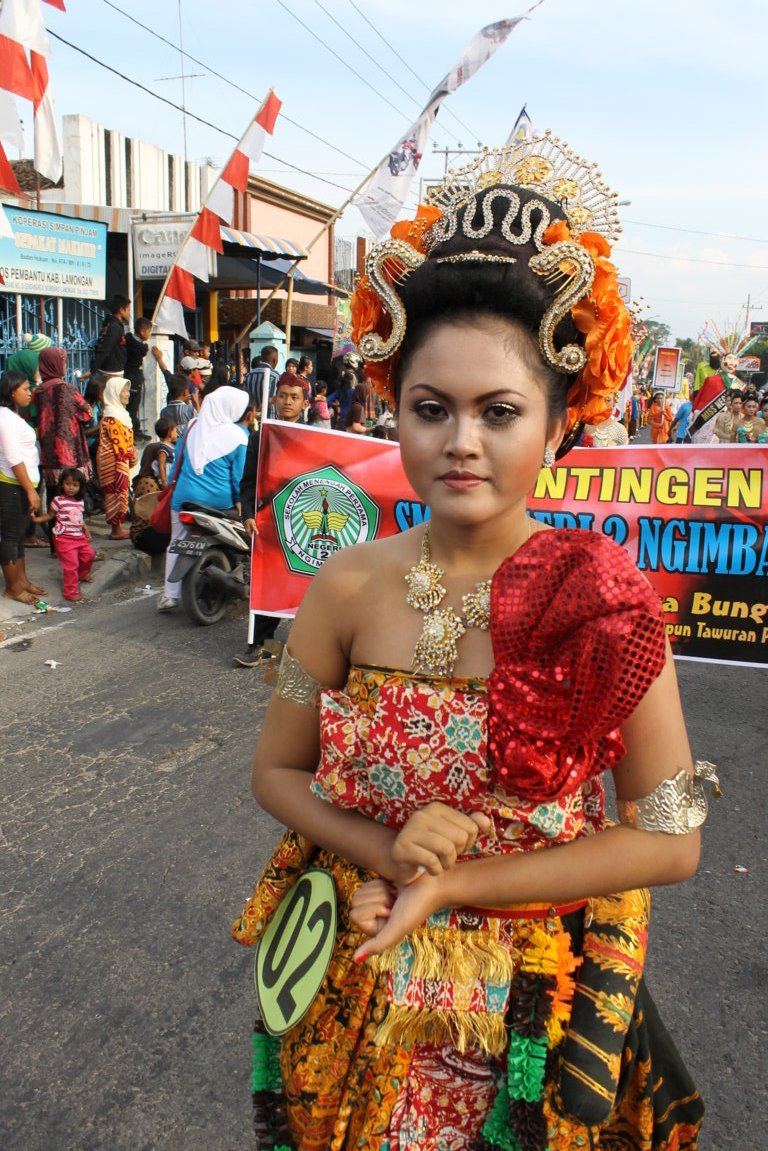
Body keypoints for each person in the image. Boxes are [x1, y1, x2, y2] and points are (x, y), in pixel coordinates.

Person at [234, 138, 707, 1149]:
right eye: (430, 408)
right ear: (391, 411)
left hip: (528, 1005)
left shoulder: (605, 601)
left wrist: (453, 881)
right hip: (356, 969)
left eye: (499, 412)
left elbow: (668, 839)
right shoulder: (344, 584)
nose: (462, 441)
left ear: (558, 422)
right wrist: (386, 856)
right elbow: (277, 771)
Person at [232, 376, 308, 667]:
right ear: (274, 399)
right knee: (272, 583)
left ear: (304, 403)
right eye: (283, 395)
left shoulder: (316, 440)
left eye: (294, 396)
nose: (287, 401)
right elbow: (249, 480)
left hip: (307, 522)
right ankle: (262, 646)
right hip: (271, 521)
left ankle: (316, 643)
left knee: (308, 584)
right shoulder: (259, 437)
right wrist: (248, 514)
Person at [158, 385, 249, 612]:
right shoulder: (239, 435)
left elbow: (176, 463)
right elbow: (239, 477)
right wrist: (241, 501)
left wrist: (170, 484)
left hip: (183, 499)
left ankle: (170, 595)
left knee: (176, 543)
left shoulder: (191, 427)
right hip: (220, 502)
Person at [0, 370, 44, 603]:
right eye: (25, 389)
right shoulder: (4, 417)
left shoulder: (14, 417)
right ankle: (13, 587)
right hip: (11, 486)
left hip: (21, 485)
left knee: (18, 534)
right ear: (11, 391)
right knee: (10, 535)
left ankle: (22, 580)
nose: (30, 392)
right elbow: (12, 456)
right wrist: (29, 490)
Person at [35, 346, 93, 517]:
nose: (65, 365)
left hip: (48, 456)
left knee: (53, 502)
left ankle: (55, 541)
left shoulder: (37, 392)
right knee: (71, 503)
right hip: (70, 454)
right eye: (63, 362)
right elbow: (87, 414)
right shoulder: (68, 389)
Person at [32, 467, 95, 602]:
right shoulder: (58, 501)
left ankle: (81, 575)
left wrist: (85, 529)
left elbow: (79, 518)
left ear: (80, 487)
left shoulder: (80, 502)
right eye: (68, 484)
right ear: (62, 484)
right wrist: (36, 519)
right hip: (64, 539)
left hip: (79, 537)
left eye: (75, 485)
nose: (71, 488)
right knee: (71, 564)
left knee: (89, 555)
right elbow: (50, 515)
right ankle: (70, 592)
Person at [96, 376, 136, 540]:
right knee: (116, 492)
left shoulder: (118, 414)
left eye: (127, 390)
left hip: (116, 460)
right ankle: (116, 529)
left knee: (118, 492)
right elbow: (120, 443)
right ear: (114, 393)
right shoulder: (113, 416)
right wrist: (132, 456)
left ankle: (117, 528)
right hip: (113, 461)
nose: (127, 394)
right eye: (124, 390)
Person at [91, 295, 131, 385]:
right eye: (128, 310)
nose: (129, 313)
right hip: (111, 373)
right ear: (121, 310)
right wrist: (92, 370)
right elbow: (104, 350)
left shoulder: (112, 325)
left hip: (113, 372)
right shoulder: (114, 327)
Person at [124, 317, 152, 439]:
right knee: (133, 407)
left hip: (130, 376)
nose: (149, 335)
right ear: (142, 331)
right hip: (134, 378)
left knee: (132, 407)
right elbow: (144, 350)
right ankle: (134, 432)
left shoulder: (128, 338)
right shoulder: (142, 347)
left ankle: (134, 430)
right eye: (148, 332)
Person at [244, 347, 280, 416]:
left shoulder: (248, 375)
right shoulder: (275, 376)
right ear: (275, 360)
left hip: (252, 417)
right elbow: (271, 400)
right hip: (269, 419)